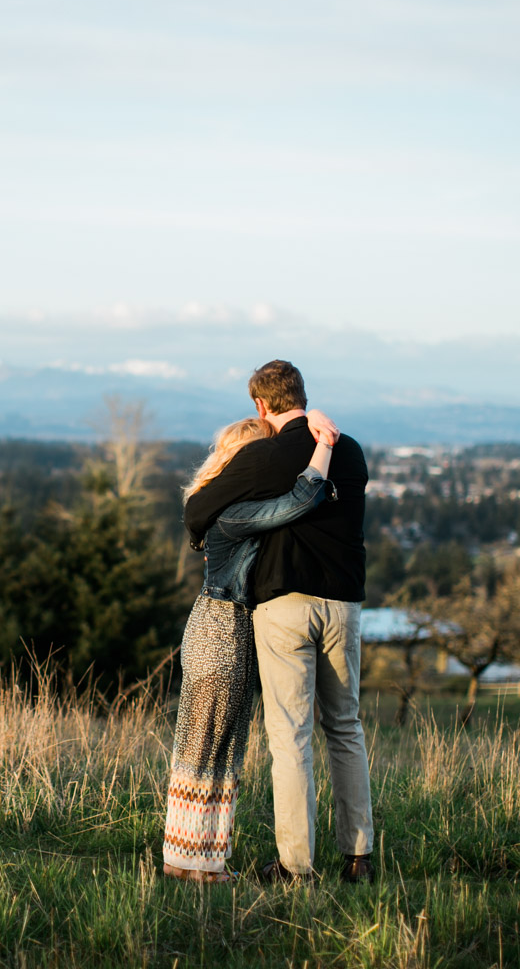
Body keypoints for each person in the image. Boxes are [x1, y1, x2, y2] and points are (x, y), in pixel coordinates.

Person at [184, 360, 374, 886]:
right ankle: (358, 856)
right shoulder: (350, 450)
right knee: (346, 727)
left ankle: (295, 866)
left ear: (260, 406)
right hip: (345, 604)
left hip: (284, 604)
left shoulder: (265, 456)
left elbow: (198, 511)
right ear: (303, 395)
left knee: (290, 738)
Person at [162, 412, 337, 883]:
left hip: (218, 627)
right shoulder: (235, 515)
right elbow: (301, 498)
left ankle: (196, 861)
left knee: (215, 747)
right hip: (222, 630)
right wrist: (324, 443)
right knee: (208, 748)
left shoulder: (220, 510)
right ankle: (192, 863)